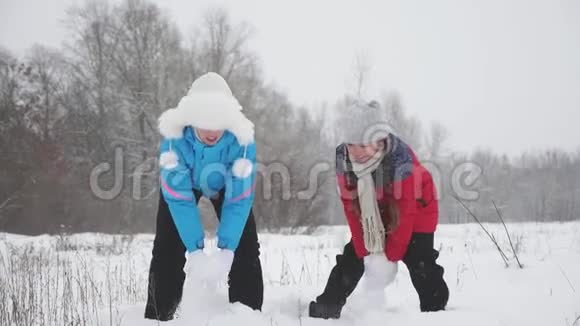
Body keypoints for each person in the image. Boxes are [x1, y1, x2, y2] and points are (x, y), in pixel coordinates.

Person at [309, 99, 449, 319]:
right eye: (351, 144)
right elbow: (349, 202)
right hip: (372, 211)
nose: (356, 151)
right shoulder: (343, 158)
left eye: (363, 145)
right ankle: (328, 305)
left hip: (416, 209)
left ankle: (436, 308)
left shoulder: (399, 158)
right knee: (352, 255)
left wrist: (391, 254)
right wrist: (362, 245)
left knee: (419, 260)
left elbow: (405, 210)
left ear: (380, 140)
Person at [144, 72, 263, 321]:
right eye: (204, 123)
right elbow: (177, 197)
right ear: (191, 118)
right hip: (185, 185)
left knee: (245, 244)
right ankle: (158, 313)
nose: (211, 132)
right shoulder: (174, 141)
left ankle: (246, 314)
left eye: (218, 123)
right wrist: (196, 250)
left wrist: (227, 249)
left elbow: (239, 198)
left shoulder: (242, 141)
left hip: (225, 185)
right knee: (167, 247)